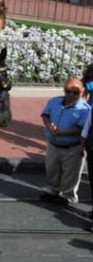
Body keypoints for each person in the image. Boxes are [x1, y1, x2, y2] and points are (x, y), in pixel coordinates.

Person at [39, 79, 91, 208]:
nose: (71, 94)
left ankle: (67, 196)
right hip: (53, 144)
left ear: (82, 91)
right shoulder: (54, 101)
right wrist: (49, 126)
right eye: (68, 91)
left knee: (70, 174)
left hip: (72, 147)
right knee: (52, 170)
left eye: (75, 92)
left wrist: (62, 132)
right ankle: (52, 190)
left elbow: (82, 129)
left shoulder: (85, 109)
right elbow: (45, 115)